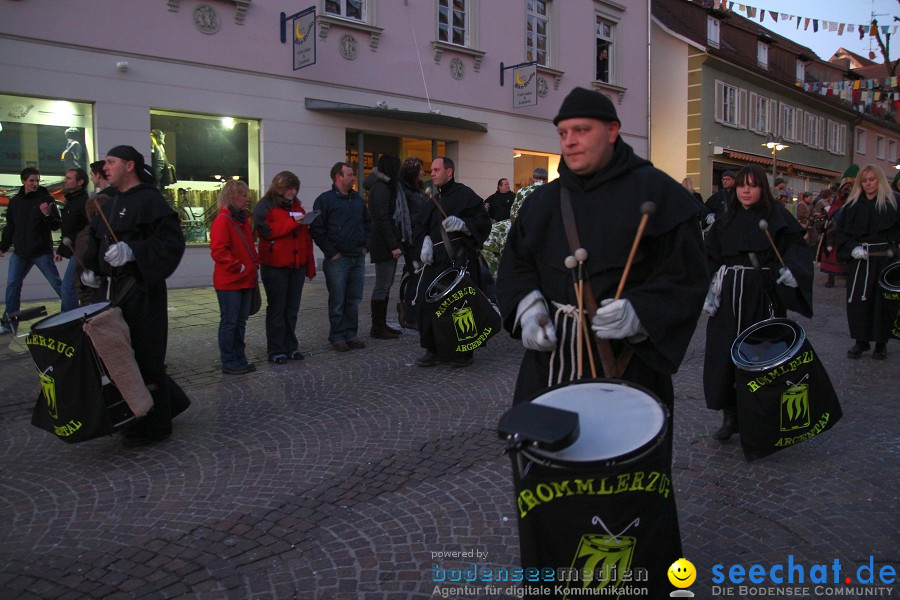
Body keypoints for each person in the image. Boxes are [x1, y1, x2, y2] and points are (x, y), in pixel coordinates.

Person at [496, 87, 708, 597]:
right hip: (552, 361)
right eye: (563, 134)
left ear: (613, 132)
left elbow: (687, 276)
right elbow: (516, 265)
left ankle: (636, 580)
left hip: (628, 361)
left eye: (581, 131)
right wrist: (528, 308)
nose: (569, 142)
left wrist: (641, 312)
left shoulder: (656, 193)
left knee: (626, 476)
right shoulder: (542, 201)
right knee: (548, 474)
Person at [81, 145, 187, 445]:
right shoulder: (109, 201)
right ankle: (142, 413)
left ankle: (154, 425)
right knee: (120, 357)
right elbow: (95, 242)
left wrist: (134, 251)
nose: (106, 168)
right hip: (111, 291)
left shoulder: (150, 200)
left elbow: (170, 244)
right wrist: (91, 270)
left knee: (146, 357)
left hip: (142, 291)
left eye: (111, 162)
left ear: (130, 165)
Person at [702, 165, 813, 441]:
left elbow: (796, 250)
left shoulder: (777, 217)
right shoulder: (726, 221)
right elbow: (709, 256)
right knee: (723, 357)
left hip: (762, 295)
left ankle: (761, 417)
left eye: (752, 185)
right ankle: (731, 417)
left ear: (762, 188)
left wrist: (792, 272)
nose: (746, 190)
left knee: (761, 355)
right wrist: (709, 290)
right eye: (741, 186)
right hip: (729, 297)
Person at [414, 156, 490, 368]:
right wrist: (424, 242)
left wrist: (463, 224)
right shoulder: (432, 200)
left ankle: (465, 351)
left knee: (461, 305)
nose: (433, 173)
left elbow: (483, 223)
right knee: (428, 303)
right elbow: (420, 227)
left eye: (437, 169)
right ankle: (433, 348)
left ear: (450, 171)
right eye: (432, 170)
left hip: (459, 260)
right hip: (435, 263)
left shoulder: (465, 194)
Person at [835, 164, 900, 360]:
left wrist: (894, 246)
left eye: (872, 179)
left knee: (882, 301)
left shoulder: (893, 202)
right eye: (864, 180)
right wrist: (853, 247)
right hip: (861, 258)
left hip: (884, 258)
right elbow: (842, 232)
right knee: (858, 300)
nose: (868, 183)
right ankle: (860, 341)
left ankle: (881, 344)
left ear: (879, 180)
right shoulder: (852, 205)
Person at [253, 171, 316, 364]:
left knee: (291, 310)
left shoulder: (297, 207)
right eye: (289, 188)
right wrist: (292, 223)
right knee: (277, 310)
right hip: (275, 267)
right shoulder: (264, 206)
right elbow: (268, 232)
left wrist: (309, 265)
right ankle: (276, 349)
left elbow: (305, 239)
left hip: (295, 267)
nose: (293, 191)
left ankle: (290, 346)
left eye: (295, 188)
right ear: (280, 188)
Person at [311, 162, 370, 352]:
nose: (353, 178)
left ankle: (351, 334)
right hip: (338, 259)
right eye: (350, 174)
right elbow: (317, 229)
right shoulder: (325, 200)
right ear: (338, 176)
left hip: (356, 257)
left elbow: (368, 224)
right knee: (337, 300)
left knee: (353, 300)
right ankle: (337, 336)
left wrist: (365, 246)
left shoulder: (358, 200)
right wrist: (332, 253)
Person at [0, 167, 63, 334]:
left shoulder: (46, 199)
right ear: (23, 181)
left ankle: (74, 314)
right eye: (31, 181)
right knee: (13, 285)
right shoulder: (15, 202)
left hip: (41, 251)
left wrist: (47, 214)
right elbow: (10, 227)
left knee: (56, 283)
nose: (35, 184)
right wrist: (3, 246)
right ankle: (8, 324)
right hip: (20, 252)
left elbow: (55, 225)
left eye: (37, 180)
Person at [210, 180, 259, 374]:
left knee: (239, 322)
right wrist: (238, 266)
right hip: (231, 281)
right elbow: (219, 251)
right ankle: (230, 361)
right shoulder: (224, 220)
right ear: (232, 196)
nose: (247, 199)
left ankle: (239, 358)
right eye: (244, 195)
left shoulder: (241, 219)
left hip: (243, 279)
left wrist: (253, 262)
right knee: (231, 322)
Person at [362, 154, 406, 340]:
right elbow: (382, 219)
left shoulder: (385, 187)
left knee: (385, 286)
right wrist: (393, 245)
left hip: (385, 242)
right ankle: (377, 327)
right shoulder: (381, 188)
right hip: (383, 244)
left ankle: (381, 325)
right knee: (382, 286)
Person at [481, 167, 548, 281]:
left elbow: (514, 214)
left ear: (533, 178)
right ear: (546, 179)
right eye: (505, 184)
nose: (508, 186)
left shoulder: (522, 192)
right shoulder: (551, 191)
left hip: (494, 239)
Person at [57, 168, 90, 312]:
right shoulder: (71, 201)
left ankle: (69, 321)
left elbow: (88, 227)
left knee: (68, 287)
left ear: (80, 182)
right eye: (66, 178)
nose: (66, 181)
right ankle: (76, 319)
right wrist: (61, 249)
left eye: (70, 178)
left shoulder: (84, 202)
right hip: (73, 249)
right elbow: (68, 228)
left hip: (81, 250)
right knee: (73, 286)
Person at [819, 167, 857, 288]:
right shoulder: (843, 194)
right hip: (839, 224)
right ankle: (832, 279)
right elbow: (836, 206)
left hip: (850, 225)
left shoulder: (855, 194)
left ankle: (845, 278)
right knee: (832, 250)